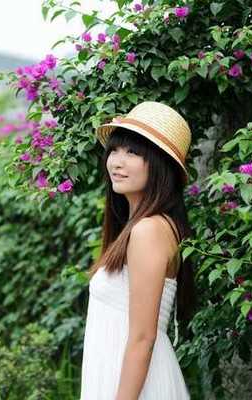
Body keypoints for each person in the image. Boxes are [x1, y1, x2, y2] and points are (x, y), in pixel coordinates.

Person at [80, 101, 196, 400]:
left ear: (160, 165)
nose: (116, 162)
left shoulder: (149, 230)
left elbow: (144, 338)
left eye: (132, 152)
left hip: (133, 386)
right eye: (115, 150)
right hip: (121, 376)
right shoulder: (143, 227)